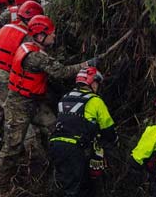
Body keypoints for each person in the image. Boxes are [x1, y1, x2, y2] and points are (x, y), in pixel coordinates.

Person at [0, 16, 92, 190]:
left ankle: (49, 174)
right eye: (51, 35)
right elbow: (62, 72)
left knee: (55, 129)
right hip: (19, 104)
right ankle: (1, 187)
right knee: (13, 146)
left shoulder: (32, 47)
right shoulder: (35, 56)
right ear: (40, 37)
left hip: (34, 102)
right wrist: (86, 64)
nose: (54, 37)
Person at [0, 0, 42, 179]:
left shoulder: (5, 28)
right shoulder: (27, 35)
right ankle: (34, 162)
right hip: (3, 78)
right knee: (20, 118)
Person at [48, 67, 116, 197]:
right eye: (97, 83)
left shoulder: (65, 98)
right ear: (92, 82)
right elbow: (108, 128)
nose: (97, 87)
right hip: (74, 148)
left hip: (55, 145)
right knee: (76, 189)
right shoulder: (95, 101)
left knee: (70, 184)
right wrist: (114, 142)